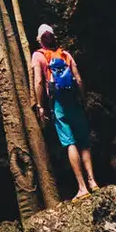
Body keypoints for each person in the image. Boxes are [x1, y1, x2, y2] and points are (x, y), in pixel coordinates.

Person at [31, 23, 100, 200]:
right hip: (74, 102)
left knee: (70, 142)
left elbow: (39, 81)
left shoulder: (38, 56)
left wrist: (40, 105)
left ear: (40, 40)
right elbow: (78, 79)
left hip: (58, 104)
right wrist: (83, 100)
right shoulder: (65, 55)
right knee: (83, 141)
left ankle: (82, 187)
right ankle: (93, 181)